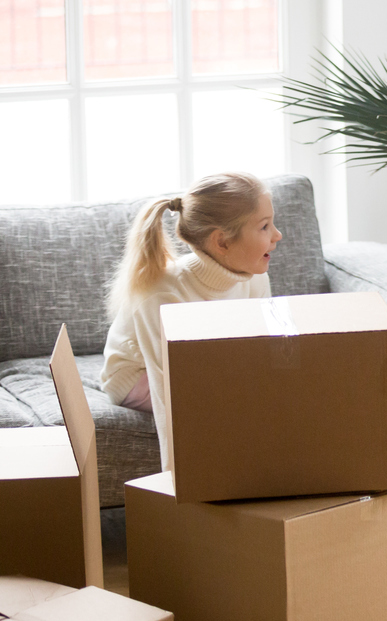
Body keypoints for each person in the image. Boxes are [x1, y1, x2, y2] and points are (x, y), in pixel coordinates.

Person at [100, 172, 282, 469]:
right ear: (222, 242)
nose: (277, 235)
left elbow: (260, 354)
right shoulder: (161, 294)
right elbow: (168, 390)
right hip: (139, 374)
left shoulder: (255, 279)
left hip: (204, 362)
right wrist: (179, 488)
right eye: (264, 226)